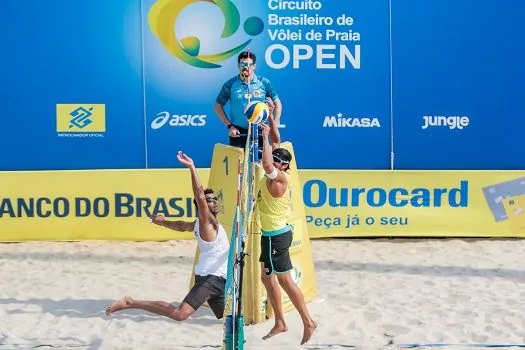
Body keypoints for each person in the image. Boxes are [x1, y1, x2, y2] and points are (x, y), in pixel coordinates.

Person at [105, 151, 230, 321]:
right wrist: (192, 168)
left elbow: (181, 225)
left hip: (218, 279)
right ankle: (130, 302)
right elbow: (199, 196)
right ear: (201, 207)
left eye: (214, 199)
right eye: (209, 200)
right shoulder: (206, 222)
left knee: (230, 317)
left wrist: (162, 222)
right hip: (210, 278)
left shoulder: (199, 225)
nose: (213, 201)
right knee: (180, 314)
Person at [256, 114, 317, 345]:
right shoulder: (281, 167)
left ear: (284, 165)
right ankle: (280, 322)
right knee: (267, 277)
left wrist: (262, 137)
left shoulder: (280, 179)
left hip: (276, 236)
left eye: (278, 160)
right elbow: (277, 140)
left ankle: (308, 321)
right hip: (271, 234)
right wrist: (271, 119)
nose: (273, 160)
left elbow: (267, 163)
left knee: (285, 281)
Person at [214, 50, 282, 150]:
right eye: (243, 64)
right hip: (238, 131)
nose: (246, 67)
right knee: (238, 164)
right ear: (238, 66)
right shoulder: (230, 84)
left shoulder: (263, 82)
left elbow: (277, 103)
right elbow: (218, 105)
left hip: (260, 129)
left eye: (249, 64)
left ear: (254, 66)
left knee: (261, 163)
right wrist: (229, 126)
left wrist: (275, 123)